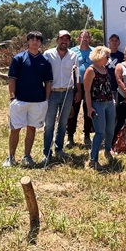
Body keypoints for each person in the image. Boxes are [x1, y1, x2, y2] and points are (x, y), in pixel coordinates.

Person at [3, 31, 52, 168]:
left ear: (40, 42)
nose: (35, 42)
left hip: (38, 101)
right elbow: (12, 79)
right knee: (15, 129)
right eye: (32, 39)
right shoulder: (19, 58)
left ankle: (27, 156)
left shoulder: (45, 61)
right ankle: (11, 157)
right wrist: (12, 97)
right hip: (20, 100)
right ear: (28, 41)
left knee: (32, 128)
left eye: (38, 40)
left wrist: (47, 99)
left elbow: (48, 82)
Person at [42, 30, 81, 164]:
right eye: (62, 39)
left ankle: (59, 148)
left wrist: (78, 91)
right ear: (57, 39)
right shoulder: (48, 54)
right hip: (52, 93)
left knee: (63, 123)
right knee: (49, 124)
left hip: (67, 93)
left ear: (69, 41)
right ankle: (47, 152)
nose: (64, 41)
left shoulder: (73, 55)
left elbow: (77, 75)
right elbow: (43, 74)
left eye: (67, 39)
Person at [84, 46, 116, 170]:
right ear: (100, 56)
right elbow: (87, 91)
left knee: (110, 129)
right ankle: (93, 159)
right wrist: (89, 108)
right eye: (107, 57)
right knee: (100, 132)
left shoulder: (104, 69)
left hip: (109, 102)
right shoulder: (90, 70)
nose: (108, 59)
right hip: (97, 104)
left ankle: (108, 149)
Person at [67, 30, 94, 148]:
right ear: (79, 39)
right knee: (73, 111)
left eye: (87, 37)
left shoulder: (94, 51)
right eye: (83, 37)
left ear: (90, 39)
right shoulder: (72, 51)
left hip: (90, 85)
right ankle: (70, 136)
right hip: (76, 85)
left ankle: (87, 135)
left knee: (88, 111)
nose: (85, 39)